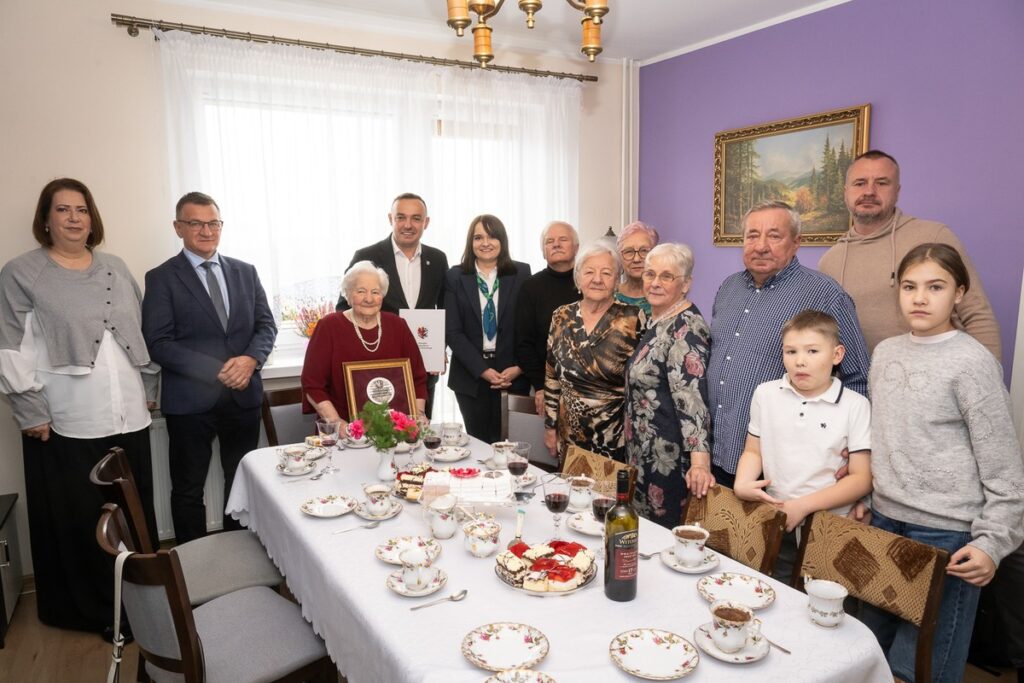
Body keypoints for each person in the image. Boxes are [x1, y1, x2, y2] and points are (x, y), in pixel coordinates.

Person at [0, 178, 159, 638]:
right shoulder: (21, 273)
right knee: (85, 521)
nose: (74, 218)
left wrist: (150, 386)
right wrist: (30, 409)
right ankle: (97, 612)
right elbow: (11, 348)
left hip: (130, 412)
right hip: (69, 420)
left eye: (82, 209)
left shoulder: (114, 265)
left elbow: (140, 331)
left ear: (93, 218)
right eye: (63, 209)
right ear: (45, 219)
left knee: (132, 515)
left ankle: (142, 605)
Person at [862, 243, 1024, 683]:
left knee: (921, 666)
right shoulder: (887, 353)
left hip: (946, 536)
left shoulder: (972, 362)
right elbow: (884, 434)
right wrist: (864, 491)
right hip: (884, 520)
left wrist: (992, 543)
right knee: (867, 650)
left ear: (959, 293)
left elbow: (1005, 470)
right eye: (910, 286)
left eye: (935, 287)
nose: (919, 298)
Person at [142, 192, 277, 545]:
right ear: (178, 228)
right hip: (190, 401)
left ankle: (242, 560)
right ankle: (192, 569)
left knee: (241, 482)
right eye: (196, 223)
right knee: (188, 488)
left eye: (213, 223)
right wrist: (217, 370)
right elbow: (158, 341)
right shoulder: (161, 277)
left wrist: (250, 360)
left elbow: (266, 327)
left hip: (243, 396)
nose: (206, 231)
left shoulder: (245, 272)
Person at [707, 200, 869, 488]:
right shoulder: (728, 288)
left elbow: (857, 378)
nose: (760, 245)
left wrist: (852, 453)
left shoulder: (825, 294)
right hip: (716, 452)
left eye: (774, 235)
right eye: (752, 235)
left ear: (796, 242)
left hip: (783, 468)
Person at [818, 149, 1000, 358]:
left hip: (933, 380)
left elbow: (977, 313)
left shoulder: (933, 236)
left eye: (882, 183)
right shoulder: (830, 261)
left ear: (897, 191)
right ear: (846, 191)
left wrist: (987, 377)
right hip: (859, 384)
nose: (869, 191)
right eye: (860, 183)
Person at [733, 310, 872, 584]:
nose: (800, 361)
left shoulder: (855, 405)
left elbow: (861, 478)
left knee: (821, 608)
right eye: (791, 351)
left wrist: (802, 506)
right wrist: (742, 482)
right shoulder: (765, 393)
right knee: (774, 591)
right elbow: (753, 450)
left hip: (831, 527)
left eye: (812, 351)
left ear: (836, 355)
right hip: (778, 519)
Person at [335, 193, 448, 417]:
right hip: (378, 370)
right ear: (390, 219)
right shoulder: (366, 255)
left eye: (416, 218)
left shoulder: (438, 259)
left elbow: (446, 310)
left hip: (423, 371)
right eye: (401, 217)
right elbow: (342, 308)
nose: (408, 225)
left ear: (426, 222)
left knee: (417, 435)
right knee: (376, 437)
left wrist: (440, 348)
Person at [624, 243, 711, 528]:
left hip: (668, 460)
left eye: (666, 276)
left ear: (685, 284)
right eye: (650, 274)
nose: (655, 283)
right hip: (643, 453)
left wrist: (699, 464)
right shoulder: (658, 318)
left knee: (661, 537)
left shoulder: (687, 328)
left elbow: (692, 399)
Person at [544, 242, 644, 464]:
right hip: (569, 437)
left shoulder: (634, 318)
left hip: (616, 440)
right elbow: (552, 375)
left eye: (606, 273)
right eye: (589, 272)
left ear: (617, 280)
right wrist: (550, 427)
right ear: (578, 278)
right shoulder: (561, 316)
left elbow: (643, 385)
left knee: (609, 498)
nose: (597, 279)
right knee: (570, 496)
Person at [303, 261, 427, 425]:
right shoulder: (329, 327)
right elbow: (313, 385)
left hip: (395, 430)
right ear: (347, 294)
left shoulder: (398, 326)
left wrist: (417, 416)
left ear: (382, 295)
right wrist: (337, 423)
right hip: (344, 430)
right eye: (361, 291)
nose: (369, 299)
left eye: (375, 292)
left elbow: (417, 378)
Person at [444, 215, 531, 443]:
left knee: (511, 447)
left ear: (502, 241)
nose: (485, 242)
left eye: (492, 236)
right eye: (478, 237)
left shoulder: (521, 273)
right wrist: (482, 369)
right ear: (470, 242)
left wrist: (520, 367)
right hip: (471, 375)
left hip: (512, 374)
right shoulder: (455, 276)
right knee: (480, 445)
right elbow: (452, 331)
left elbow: (528, 326)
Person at [514, 221, 582, 415]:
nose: (556, 244)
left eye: (563, 239)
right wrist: (541, 386)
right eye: (549, 241)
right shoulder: (531, 287)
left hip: (588, 388)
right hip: (544, 386)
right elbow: (523, 343)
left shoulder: (590, 284)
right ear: (543, 251)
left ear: (576, 247)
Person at [614, 221, 660, 315]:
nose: (636, 259)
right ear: (619, 257)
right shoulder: (608, 295)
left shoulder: (664, 296)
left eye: (644, 251)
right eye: (629, 251)